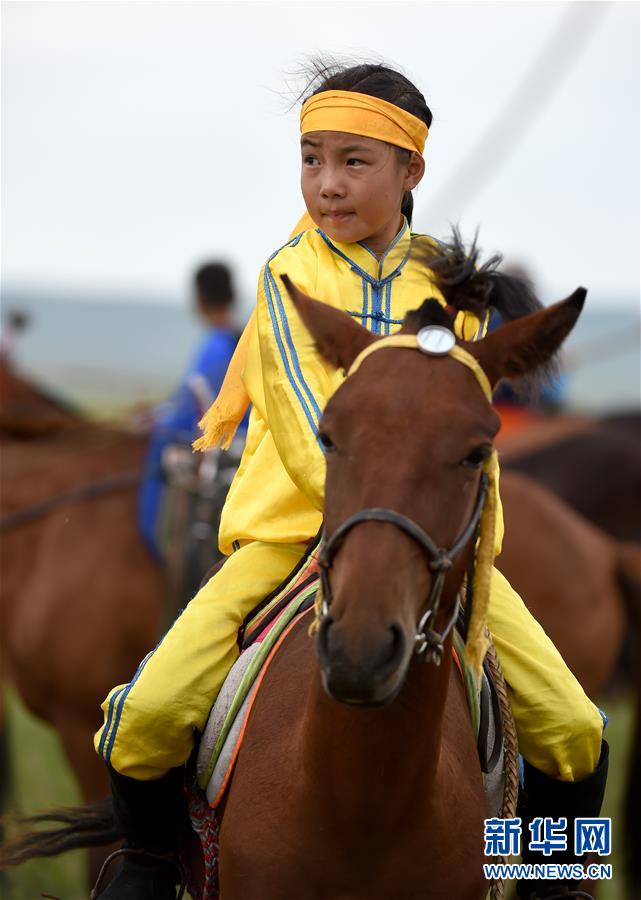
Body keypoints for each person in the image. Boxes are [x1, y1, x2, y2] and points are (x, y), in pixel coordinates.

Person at [94, 63, 608, 900]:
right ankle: (151, 870)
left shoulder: (450, 286)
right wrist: (368, 508)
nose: (326, 183)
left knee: (576, 728)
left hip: (438, 549)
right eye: (310, 158)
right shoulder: (286, 279)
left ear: (411, 171)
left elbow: (466, 420)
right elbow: (306, 432)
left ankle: (546, 882)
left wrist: (429, 526)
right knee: (146, 715)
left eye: (354, 161)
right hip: (290, 535)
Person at [137, 262, 244, 561]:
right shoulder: (239, 337)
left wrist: (155, 421)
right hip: (237, 436)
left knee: (160, 447)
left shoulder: (215, 344)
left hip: (220, 443)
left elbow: (192, 406)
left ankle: (163, 546)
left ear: (199, 297)